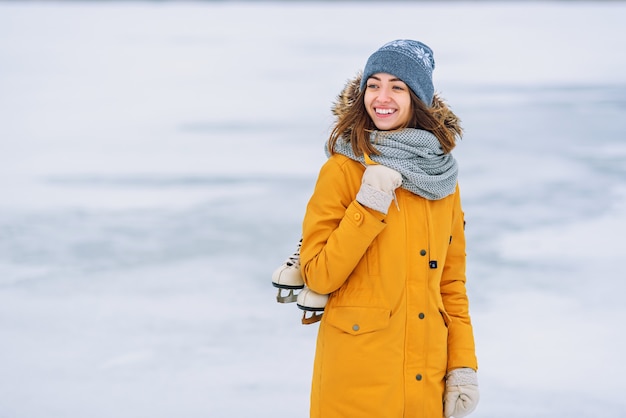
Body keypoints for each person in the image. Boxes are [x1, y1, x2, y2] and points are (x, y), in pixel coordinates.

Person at [293, 39, 479, 418]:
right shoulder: (343, 170)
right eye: (373, 84)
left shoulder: (441, 179)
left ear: (418, 98)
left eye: (397, 86)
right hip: (356, 382)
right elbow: (320, 275)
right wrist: (368, 204)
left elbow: (451, 285)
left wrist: (463, 366)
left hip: (425, 379)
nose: (382, 97)